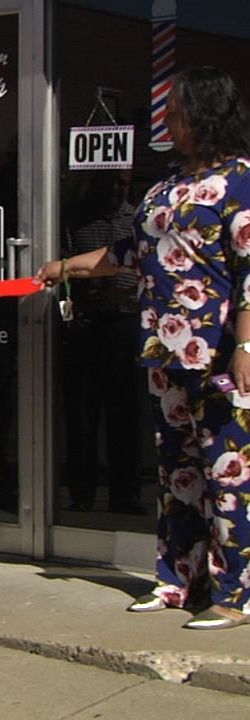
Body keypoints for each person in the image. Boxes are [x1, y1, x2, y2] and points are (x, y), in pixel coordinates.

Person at [37, 67, 250, 630]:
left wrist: (247, 345)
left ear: (204, 114)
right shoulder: (165, 183)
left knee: (229, 472)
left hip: (221, 354)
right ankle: (179, 580)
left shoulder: (241, 182)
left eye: (176, 111)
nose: (168, 121)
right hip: (164, 351)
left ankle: (236, 593)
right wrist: (66, 268)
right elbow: (131, 251)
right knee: (179, 472)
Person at [60, 170, 144, 514]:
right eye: (108, 182)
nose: (114, 190)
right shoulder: (76, 219)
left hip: (126, 322)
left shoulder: (139, 218)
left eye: (121, 184)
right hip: (87, 325)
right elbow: (66, 264)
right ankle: (82, 492)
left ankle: (126, 494)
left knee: (125, 412)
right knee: (82, 412)